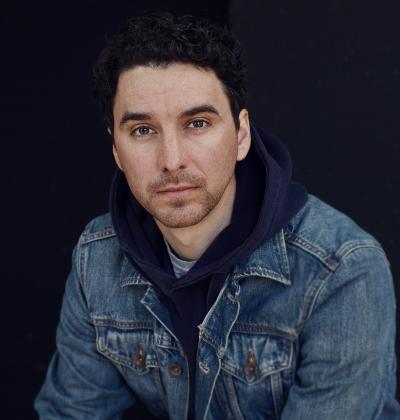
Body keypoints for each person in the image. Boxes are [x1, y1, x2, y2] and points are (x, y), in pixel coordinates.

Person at [34, 12, 400, 419]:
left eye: (197, 123)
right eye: (143, 130)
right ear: (117, 151)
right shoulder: (97, 257)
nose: (171, 160)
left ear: (241, 135)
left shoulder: (339, 270)